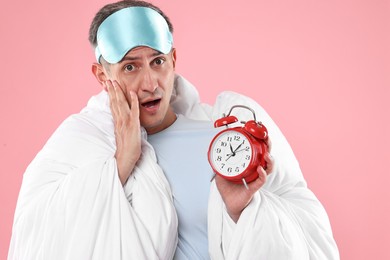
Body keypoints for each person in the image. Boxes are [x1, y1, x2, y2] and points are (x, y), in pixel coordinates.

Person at [8, 0, 339, 259]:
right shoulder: (81, 145)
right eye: (130, 67)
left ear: (174, 59)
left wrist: (241, 210)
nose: (150, 83)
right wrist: (122, 161)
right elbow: (40, 236)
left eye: (157, 61)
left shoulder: (222, 135)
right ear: (101, 75)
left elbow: (304, 227)